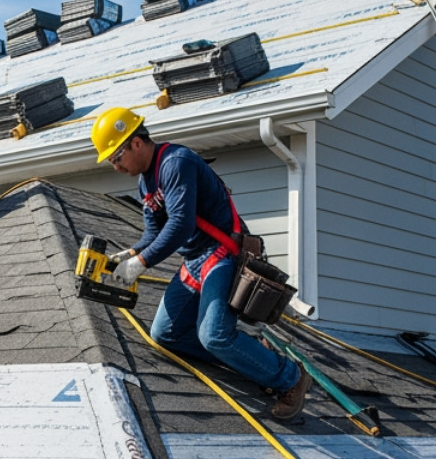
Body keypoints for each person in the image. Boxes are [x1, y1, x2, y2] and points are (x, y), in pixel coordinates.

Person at [88, 107, 312, 419]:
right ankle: (250, 354)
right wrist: (130, 253)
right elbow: (154, 231)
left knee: (214, 336)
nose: (115, 166)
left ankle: (291, 377)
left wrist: (141, 262)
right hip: (195, 260)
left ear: (136, 143)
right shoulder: (146, 183)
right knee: (165, 334)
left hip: (222, 254)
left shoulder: (175, 163)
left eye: (116, 157)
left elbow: (179, 224)